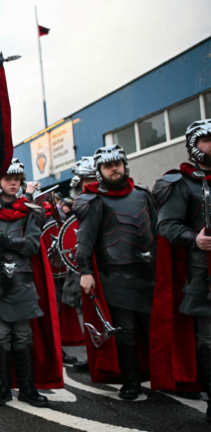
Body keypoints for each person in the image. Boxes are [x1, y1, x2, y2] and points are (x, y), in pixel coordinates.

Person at [0, 158, 62, 408]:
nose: (13, 183)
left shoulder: (31, 210)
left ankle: (27, 389)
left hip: (22, 282)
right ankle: (2, 388)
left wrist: (5, 241)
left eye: (17, 180)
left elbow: (31, 245)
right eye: (8, 178)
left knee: (22, 336)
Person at [74, 145, 157, 400]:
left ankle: (161, 377)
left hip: (150, 274)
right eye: (108, 166)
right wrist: (85, 271)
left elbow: (158, 231)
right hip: (115, 278)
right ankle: (131, 382)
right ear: (99, 171)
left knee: (155, 330)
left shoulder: (143, 194)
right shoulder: (94, 200)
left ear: (124, 165)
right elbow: (84, 240)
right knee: (126, 333)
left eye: (117, 164)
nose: (114, 169)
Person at [152, 119, 211, 421]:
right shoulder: (180, 183)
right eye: (207, 140)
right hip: (202, 275)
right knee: (209, 339)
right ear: (193, 146)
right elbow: (167, 226)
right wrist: (195, 239)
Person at [65, 157, 98, 372]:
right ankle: (94, 356)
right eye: (88, 180)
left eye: (94, 179)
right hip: (82, 267)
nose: (92, 183)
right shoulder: (77, 207)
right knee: (86, 312)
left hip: (109, 265)